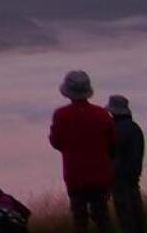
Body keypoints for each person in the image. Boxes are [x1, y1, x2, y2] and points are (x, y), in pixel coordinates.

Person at [49, 70, 115, 233]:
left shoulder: (61, 115)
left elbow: (56, 142)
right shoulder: (102, 114)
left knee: (80, 219)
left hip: (75, 175)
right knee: (102, 217)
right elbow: (113, 143)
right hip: (100, 173)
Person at [106, 95, 147, 233]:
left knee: (124, 211)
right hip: (134, 173)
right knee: (136, 206)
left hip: (119, 175)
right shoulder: (135, 128)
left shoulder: (115, 130)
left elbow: (111, 152)